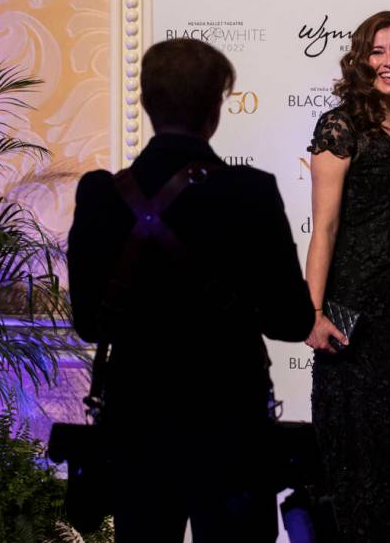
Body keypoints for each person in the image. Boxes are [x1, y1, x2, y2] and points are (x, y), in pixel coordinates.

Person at [67, 38, 314, 542]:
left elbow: (90, 323)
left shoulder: (100, 195)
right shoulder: (250, 191)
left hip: (136, 424)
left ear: (148, 103)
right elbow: (292, 321)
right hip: (230, 424)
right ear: (214, 110)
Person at [304, 10, 390, 542]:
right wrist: (313, 312)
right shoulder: (340, 126)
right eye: (378, 52)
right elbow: (326, 227)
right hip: (355, 313)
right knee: (361, 460)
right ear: (361, 60)